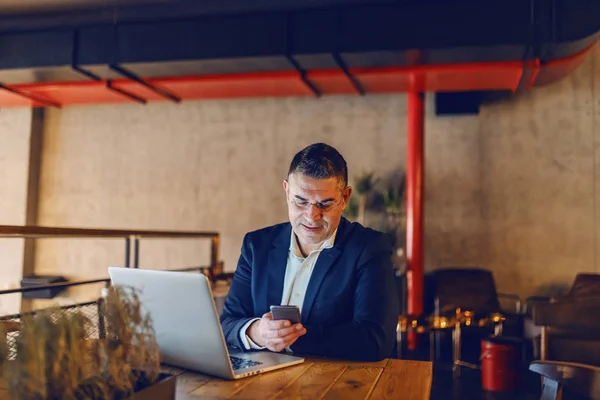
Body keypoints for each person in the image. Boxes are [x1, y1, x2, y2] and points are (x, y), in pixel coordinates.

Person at [220, 142, 399, 361]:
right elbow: (227, 322)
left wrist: (290, 338)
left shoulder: (368, 248)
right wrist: (257, 332)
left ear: (345, 198)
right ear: (287, 191)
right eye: (301, 202)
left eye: (325, 204)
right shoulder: (256, 245)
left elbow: (375, 341)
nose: (311, 216)